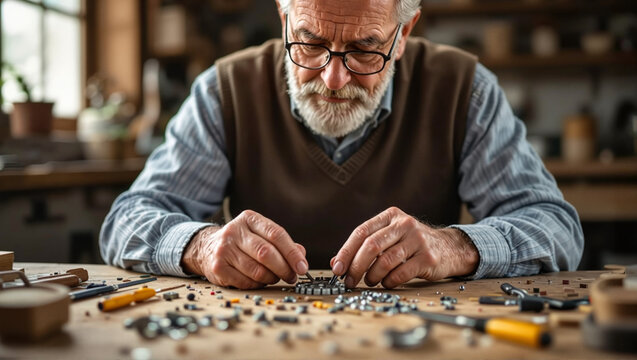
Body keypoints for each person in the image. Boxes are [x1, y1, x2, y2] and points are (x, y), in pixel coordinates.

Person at [100, 0, 584, 290]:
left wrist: (455, 246)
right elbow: (126, 220)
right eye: (309, 43)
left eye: (364, 49)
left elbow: (556, 227)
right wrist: (200, 246)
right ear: (283, 16)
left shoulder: (465, 90)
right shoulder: (224, 90)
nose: (333, 78)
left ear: (402, 35)